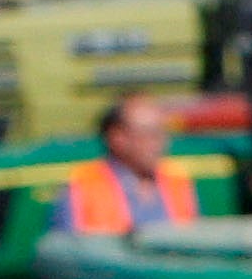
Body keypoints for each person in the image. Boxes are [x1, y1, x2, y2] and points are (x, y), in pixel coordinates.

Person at [48, 94, 200, 236]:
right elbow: (68, 251)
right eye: (150, 134)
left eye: (162, 133)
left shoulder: (176, 179)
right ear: (118, 137)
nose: (160, 143)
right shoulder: (84, 184)